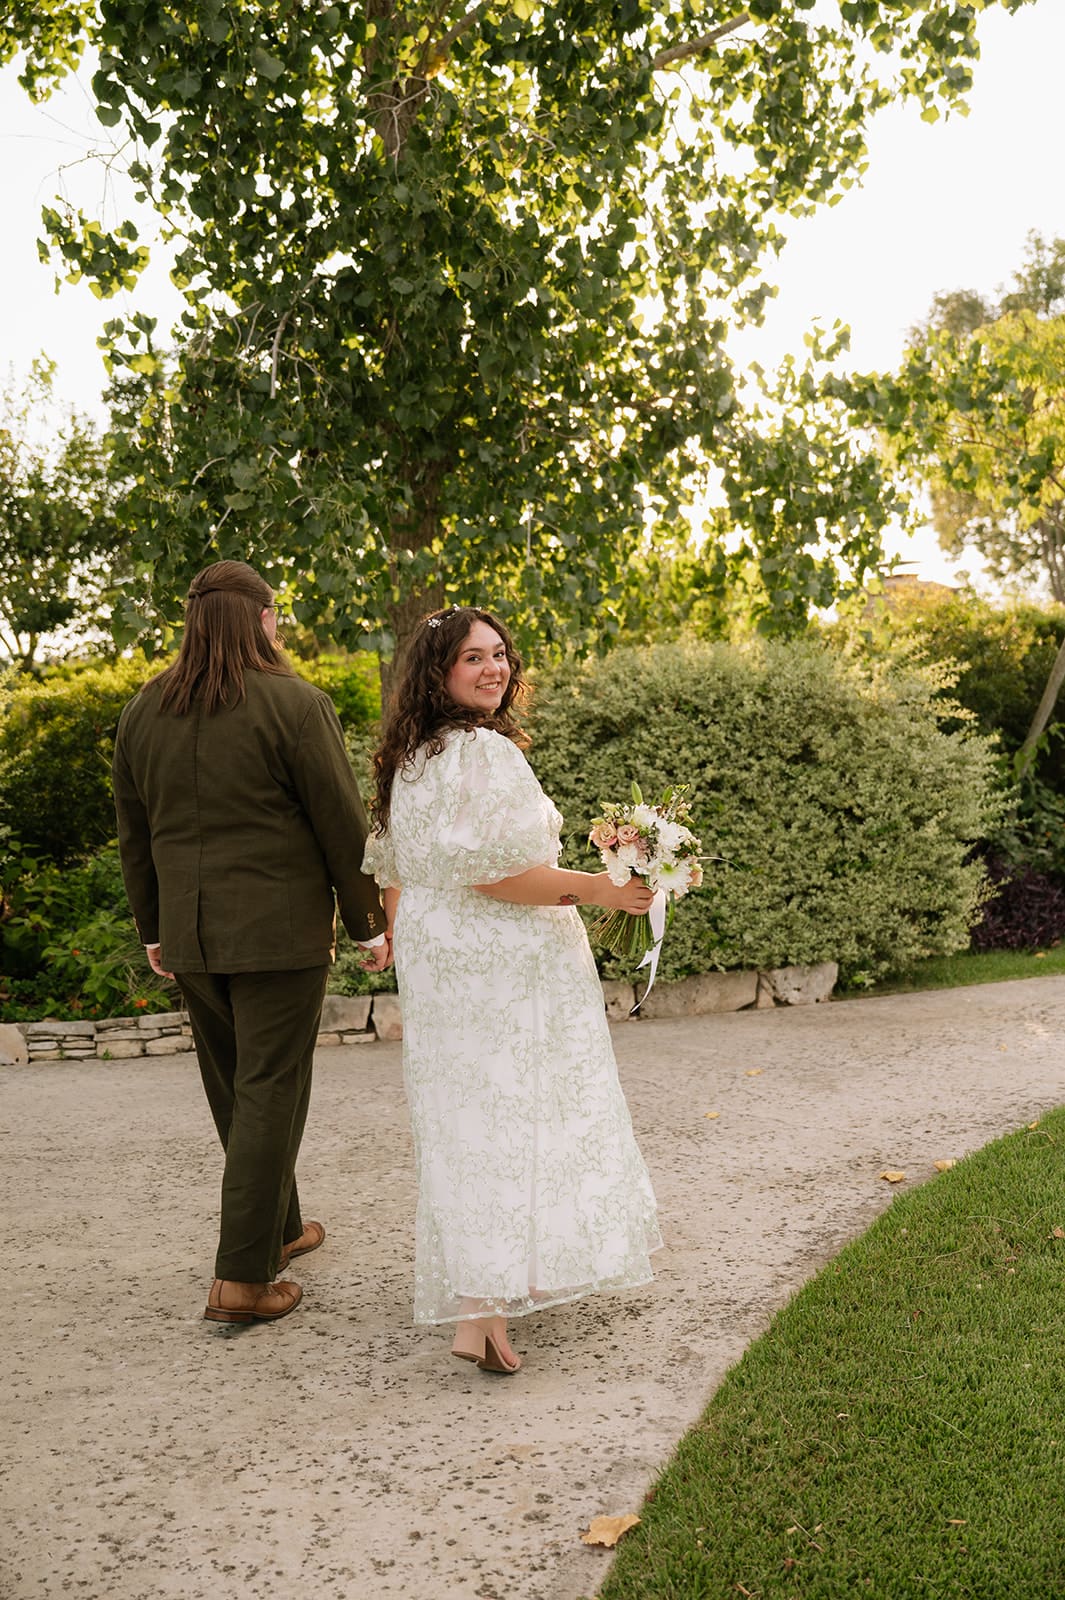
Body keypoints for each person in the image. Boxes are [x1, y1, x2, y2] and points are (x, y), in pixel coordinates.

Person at [364, 605, 661, 1373]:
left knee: (467, 1123)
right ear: (440, 672)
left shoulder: (411, 758)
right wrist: (601, 890)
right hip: (502, 965)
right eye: (473, 658)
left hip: (440, 961)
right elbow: (497, 876)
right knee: (516, 1117)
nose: (493, 669)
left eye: (499, 654)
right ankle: (481, 1311)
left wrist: (401, 944)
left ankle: (480, 1310)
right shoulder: (482, 756)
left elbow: (392, 872)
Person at [112, 560, 391, 1325]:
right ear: (261, 619)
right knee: (271, 1087)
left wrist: (154, 930)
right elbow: (340, 822)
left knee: (238, 1086)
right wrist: (371, 921)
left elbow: (133, 836)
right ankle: (241, 1279)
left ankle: (280, 1229)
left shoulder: (142, 710)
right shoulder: (295, 703)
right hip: (279, 934)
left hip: (192, 936)